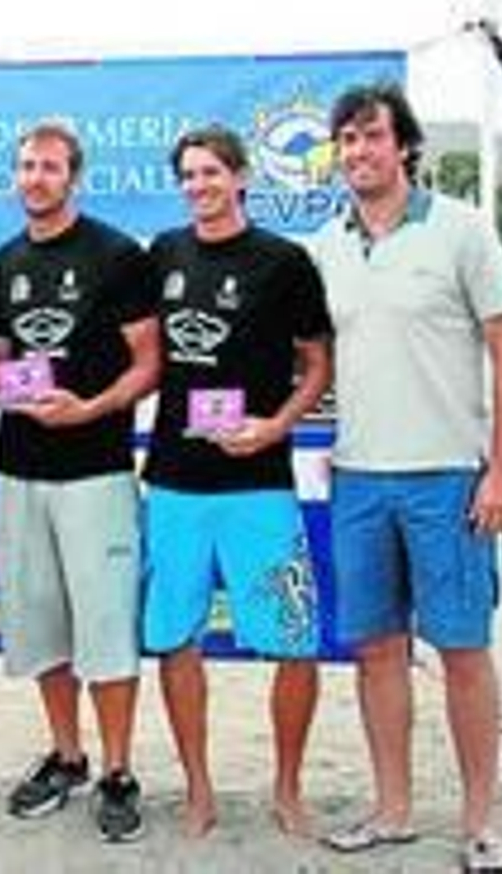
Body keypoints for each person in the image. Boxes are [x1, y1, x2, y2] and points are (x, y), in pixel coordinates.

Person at [312, 84, 502, 874]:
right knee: (376, 651)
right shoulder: (325, 243)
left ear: (403, 145)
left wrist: (501, 467)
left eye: (372, 137)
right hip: (360, 479)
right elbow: (310, 358)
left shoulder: (463, 230)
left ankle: (477, 824)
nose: (359, 151)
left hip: (449, 478)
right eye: (348, 140)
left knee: (464, 651)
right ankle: (393, 810)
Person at [140, 125, 333, 837]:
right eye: (188, 176)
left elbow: (317, 365)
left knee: (293, 640)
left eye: (211, 173)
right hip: (174, 483)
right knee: (175, 640)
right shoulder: (163, 254)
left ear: (242, 177)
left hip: (259, 482)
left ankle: (287, 787)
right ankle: (198, 788)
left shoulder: (285, 262)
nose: (199, 186)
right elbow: (141, 356)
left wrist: (274, 426)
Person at [0, 121, 161, 840]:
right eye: (26, 166)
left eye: (50, 167)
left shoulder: (117, 255)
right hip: (21, 471)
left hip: (97, 472)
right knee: (40, 626)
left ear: (74, 176)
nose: (36, 178)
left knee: (107, 629)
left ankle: (119, 771)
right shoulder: (1, 264)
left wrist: (88, 408)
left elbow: (149, 362)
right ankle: (67, 755)